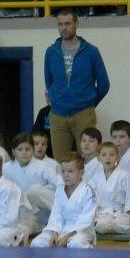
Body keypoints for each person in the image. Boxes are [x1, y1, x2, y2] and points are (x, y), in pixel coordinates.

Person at [44, 9, 110, 157]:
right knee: (60, 161)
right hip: (58, 115)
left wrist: (89, 103)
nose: (64, 28)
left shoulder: (91, 51)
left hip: (83, 113)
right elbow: (49, 81)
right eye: (60, 24)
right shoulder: (51, 52)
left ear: (76, 24)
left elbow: (104, 84)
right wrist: (56, 99)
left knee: (89, 158)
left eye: (68, 23)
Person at [30, 153, 97, 249]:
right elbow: (56, 214)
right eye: (63, 171)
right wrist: (55, 232)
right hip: (60, 228)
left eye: (70, 171)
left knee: (75, 244)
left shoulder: (88, 191)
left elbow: (87, 219)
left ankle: (88, 247)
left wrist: (67, 236)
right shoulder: (60, 189)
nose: (66, 175)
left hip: (81, 231)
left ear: (81, 173)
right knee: (36, 243)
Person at [3, 132, 58, 226]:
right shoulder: (6, 168)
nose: (24, 152)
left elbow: (58, 184)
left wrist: (42, 190)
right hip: (20, 210)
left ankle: (63, 215)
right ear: (13, 151)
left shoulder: (42, 166)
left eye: (28, 149)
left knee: (34, 190)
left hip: (42, 209)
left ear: (33, 150)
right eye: (20, 149)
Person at [91, 142, 130, 234]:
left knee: (119, 223)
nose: (108, 158)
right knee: (101, 224)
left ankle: (111, 227)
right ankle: (107, 227)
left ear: (118, 157)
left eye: (112, 155)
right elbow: (91, 200)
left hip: (120, 213)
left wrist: (128, 212)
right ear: (98, 158)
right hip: (101, 214)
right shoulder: (95, 178)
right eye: (104, 155)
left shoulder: (124, 176)